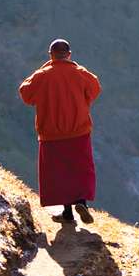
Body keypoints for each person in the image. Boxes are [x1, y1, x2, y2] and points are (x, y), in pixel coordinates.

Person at [18, 38, 102, 223]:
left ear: (51, 55)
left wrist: (47, 67)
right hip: (78, 131)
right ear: (69, 54)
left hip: (51, 134)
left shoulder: (43, 74)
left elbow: (25, 93)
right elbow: (95, 88)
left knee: (58, 173)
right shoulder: (80, 73)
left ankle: (67, 212)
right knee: (80, 169)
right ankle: (81, 202)